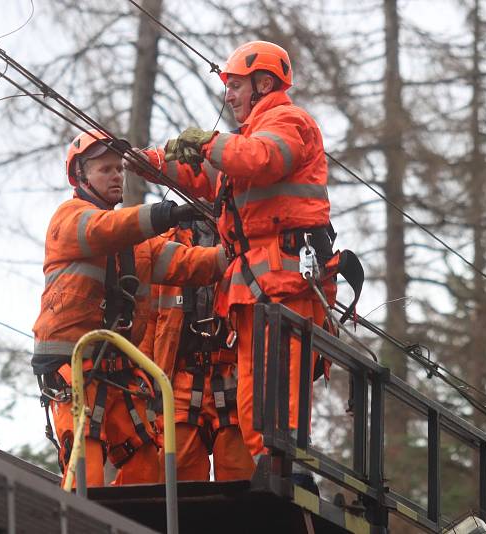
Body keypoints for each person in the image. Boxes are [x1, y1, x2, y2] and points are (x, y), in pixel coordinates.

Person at [128, 41, 339, 463]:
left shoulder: (288, 121)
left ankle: (289, 469)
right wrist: (151, 161)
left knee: (276, 391)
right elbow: (208, 173)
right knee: (253, 394)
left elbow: (261, 159)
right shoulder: (246, 139)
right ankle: (272, 467)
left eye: (236, 85)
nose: (228, 95)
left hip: (286, 279)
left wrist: (208, 142)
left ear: (264, 84)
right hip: (257, 285)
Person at [32, 130, 228, 488]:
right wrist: (165, 214)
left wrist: (236, 249)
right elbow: (105, 229)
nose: (116, 176)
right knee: (86, 468)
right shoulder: (69, 218)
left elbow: (191, 263)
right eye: (105, 169)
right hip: (73, 364)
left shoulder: (137, 246)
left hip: (116, 367)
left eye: (119, 169)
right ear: (80, 176)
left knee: (146, 464)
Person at [140, 218, 254, 482]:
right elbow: (147, 319)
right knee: (174, 478)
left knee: (241, 482)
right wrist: (143, 382)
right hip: (179, 377)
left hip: (235, 375)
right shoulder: (166, 243)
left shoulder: (248, 238)